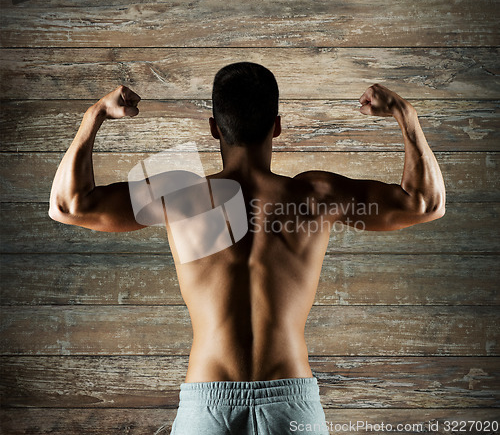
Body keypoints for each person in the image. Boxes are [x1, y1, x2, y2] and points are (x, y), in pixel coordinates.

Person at [49, 62, 446, 434]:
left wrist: (95, 116)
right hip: (291, 402)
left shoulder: (181, 195)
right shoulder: (315, 195)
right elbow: (426, 203)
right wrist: (404, 115)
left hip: (208, 402)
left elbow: (68, 205)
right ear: (276, 127)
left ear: (214, 128)